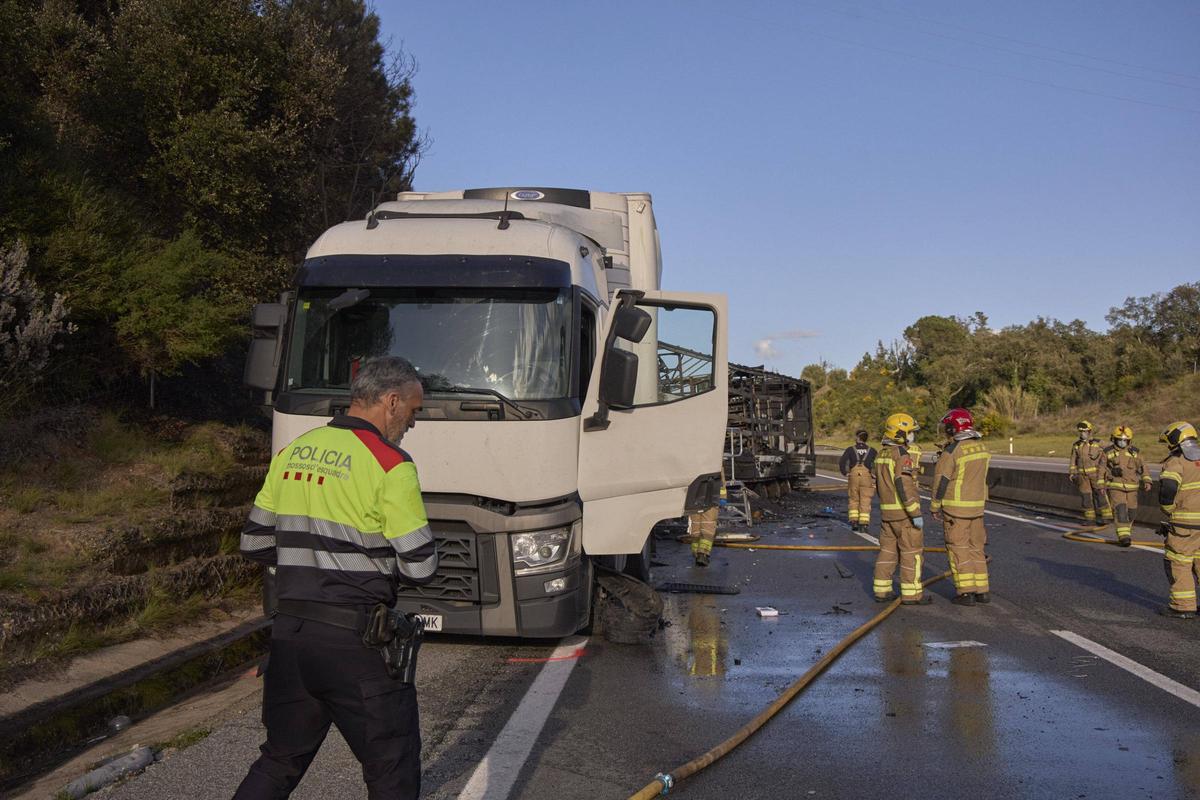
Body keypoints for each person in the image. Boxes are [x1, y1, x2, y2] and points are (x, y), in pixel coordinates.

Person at [233, 356, 438, 799]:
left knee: (279, 760)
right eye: (414, 410)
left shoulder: (295, 451)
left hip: (290, 637)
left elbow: (253, 542)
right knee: (392, 768)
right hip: (356, 643)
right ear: (392, 400)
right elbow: (421, 566)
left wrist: (311, 559)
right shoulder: (389, 462)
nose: (412, 423)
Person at [930, 408, 992, 606]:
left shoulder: (951, 452)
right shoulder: (982, 448)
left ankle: (966, 592)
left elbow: (941, 482)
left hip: (956, 508)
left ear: (953, 428)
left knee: (958, 548)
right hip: (977, 507)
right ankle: (982, 591)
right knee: (976, 548)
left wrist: (934, 505)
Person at [872, 413, 930, 605]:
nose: (912, 436)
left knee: (887, 552)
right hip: (904, 515)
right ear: (900, 433)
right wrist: (915, 513)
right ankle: (912, 595)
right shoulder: (901, 455)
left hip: (887, 514)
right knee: (911, 554)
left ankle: (882, 590)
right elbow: (904, 485)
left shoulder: (881, 455)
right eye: (910, 433)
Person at [1157, 421, 1200, 619]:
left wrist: (1168, 510)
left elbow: (1168, 489)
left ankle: (1183, 606)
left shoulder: (1176, 461)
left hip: (1184, 524)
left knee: (1179, 561)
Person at [1103, 425, 1151, 548]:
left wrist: (1147, 481)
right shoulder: (1108, 452)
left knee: (1132, 512)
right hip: (1115, 487)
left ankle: (1126, 530)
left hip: (1132, 488)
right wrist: (1103, 481)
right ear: (1114, 439)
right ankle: (1124, 537)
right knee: (1120, 511)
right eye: (1119, 440)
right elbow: (1101, 469)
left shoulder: (1135, 453)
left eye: (1125, 440)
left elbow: (1143, 467)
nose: (1122, 442)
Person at [1069, 420, 1112, 525]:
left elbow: (1112, 449)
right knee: (1086, 497)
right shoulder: (1076, 445)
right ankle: (1089, 519)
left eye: (1084, 431)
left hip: (1096, 475)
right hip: (1082, 477)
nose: (1082, 433)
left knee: (1100, 495)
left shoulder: (1098, 443)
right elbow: (1073, 460)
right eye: (1080, 432)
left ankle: (1107, 517)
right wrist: (1072, 473)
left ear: (1089, 431)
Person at [839, 430, 877, 533]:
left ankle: (854, 522)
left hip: (854, 476)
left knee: (854, 499)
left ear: (858, 438)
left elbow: (842, 462)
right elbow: (878, 463)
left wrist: (845, 473)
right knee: (865, 500)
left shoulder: (850, 449)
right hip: (866, 477)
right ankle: (863, 524)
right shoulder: (872, 450)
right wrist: (874, 474)